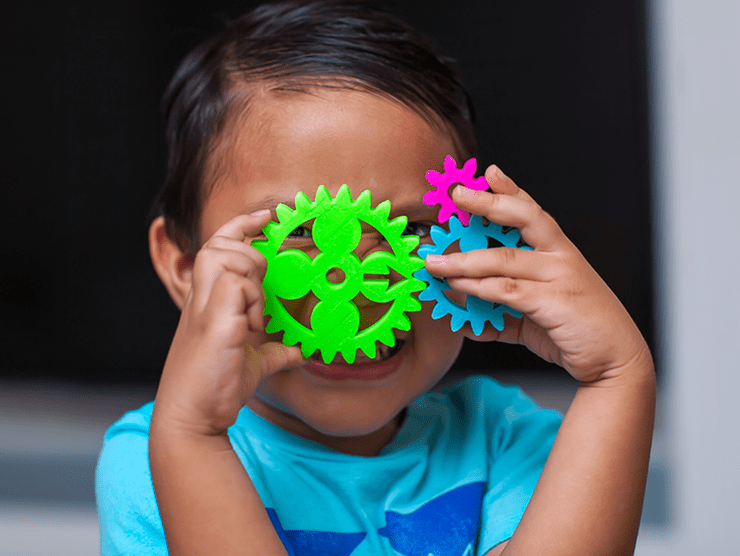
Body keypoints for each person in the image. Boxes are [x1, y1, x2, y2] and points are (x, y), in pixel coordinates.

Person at [95, 1, 655, 555]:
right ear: (186, 267)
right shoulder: (156, 458)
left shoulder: (505, 439)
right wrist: (193, 438)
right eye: (300, 233)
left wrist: (617, 377)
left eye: (411, 226)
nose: (361, 289)